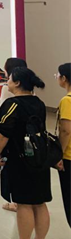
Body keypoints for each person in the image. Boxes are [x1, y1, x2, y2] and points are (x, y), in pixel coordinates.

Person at [0, 67, 51, 239]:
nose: (7, 82)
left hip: (20, 159)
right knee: (40, 202)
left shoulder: (13, 104)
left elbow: (3, 133)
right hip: (40, 157)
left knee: (24, 203)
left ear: (17, 83)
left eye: (9, 79)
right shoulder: (39, 103)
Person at [0, 57, 27, 213]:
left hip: (10, 138)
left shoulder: (7, 89)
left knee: (10, 169)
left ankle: (15, 202)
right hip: (25, 138)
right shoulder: (29, 89)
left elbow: (0, 113)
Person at [56, 62, 71, 228]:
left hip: (69, 156)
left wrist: (58, 154)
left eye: (58, 75)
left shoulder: (67, 101)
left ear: (64, 78)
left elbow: (66, 130)